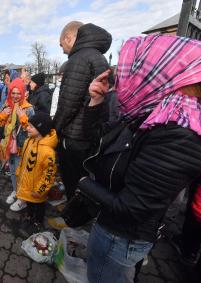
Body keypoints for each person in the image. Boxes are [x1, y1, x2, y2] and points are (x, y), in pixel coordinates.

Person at [77, 35, 201, 283]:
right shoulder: (152, 111)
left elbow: (133, 207)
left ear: (158, 72)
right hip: (115, 226)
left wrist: (84, 184)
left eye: (132, 69)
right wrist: (96, 100)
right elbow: (99, 139)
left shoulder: (178, 130)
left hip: (120, 236)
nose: (122, 80)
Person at [52, 21, 111, 204]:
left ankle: (74, 227)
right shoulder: (98, 57)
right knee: (85, 181)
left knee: (73, 182)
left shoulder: (77, 59)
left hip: (74, 138)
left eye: (62, 44)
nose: (62, 50)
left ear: (69, 37)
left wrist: (56, 128)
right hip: (90, 134)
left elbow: (68, 104)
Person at [14, 112, 58, 230]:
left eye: (31, 126)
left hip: (37, 189)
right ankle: (29, 216)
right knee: (29, 202)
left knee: (39, 205)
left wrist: (40, 190)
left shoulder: (48, 152)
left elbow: (49, 175)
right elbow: (23, 159)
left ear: (41, 128)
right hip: (27, 183)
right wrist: (19, 171)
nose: (27, 128)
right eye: (27, 125)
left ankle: (38, 222)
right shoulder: (29, 141)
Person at [0, 78, 35, 210]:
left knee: (21, 173)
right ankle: (15, 190)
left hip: (22, 148)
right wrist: (2, 116)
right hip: (9, 146)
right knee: (12, 171)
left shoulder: (28, 109)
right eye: (13, 93)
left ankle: (23, 199)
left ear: (23, 93)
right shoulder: (7, 106)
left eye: (19, 93)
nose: (16, 96)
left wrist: (23, 118)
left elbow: (32, 131)